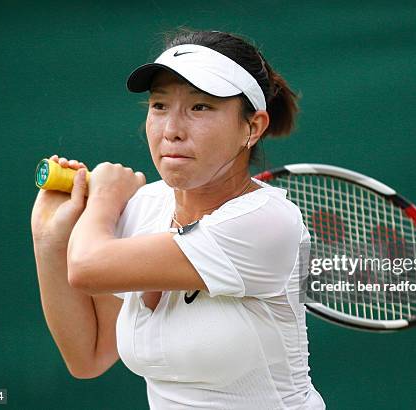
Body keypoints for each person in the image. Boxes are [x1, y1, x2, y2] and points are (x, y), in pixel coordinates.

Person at [31, 29, 326, 409]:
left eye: (200, 107)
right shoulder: (143, 207)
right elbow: (89, 355)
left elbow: (87, 266)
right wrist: (49, 237)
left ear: (252, 127)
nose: (171, 131)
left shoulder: (267, 223)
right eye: (159, 106)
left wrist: (103, 197)